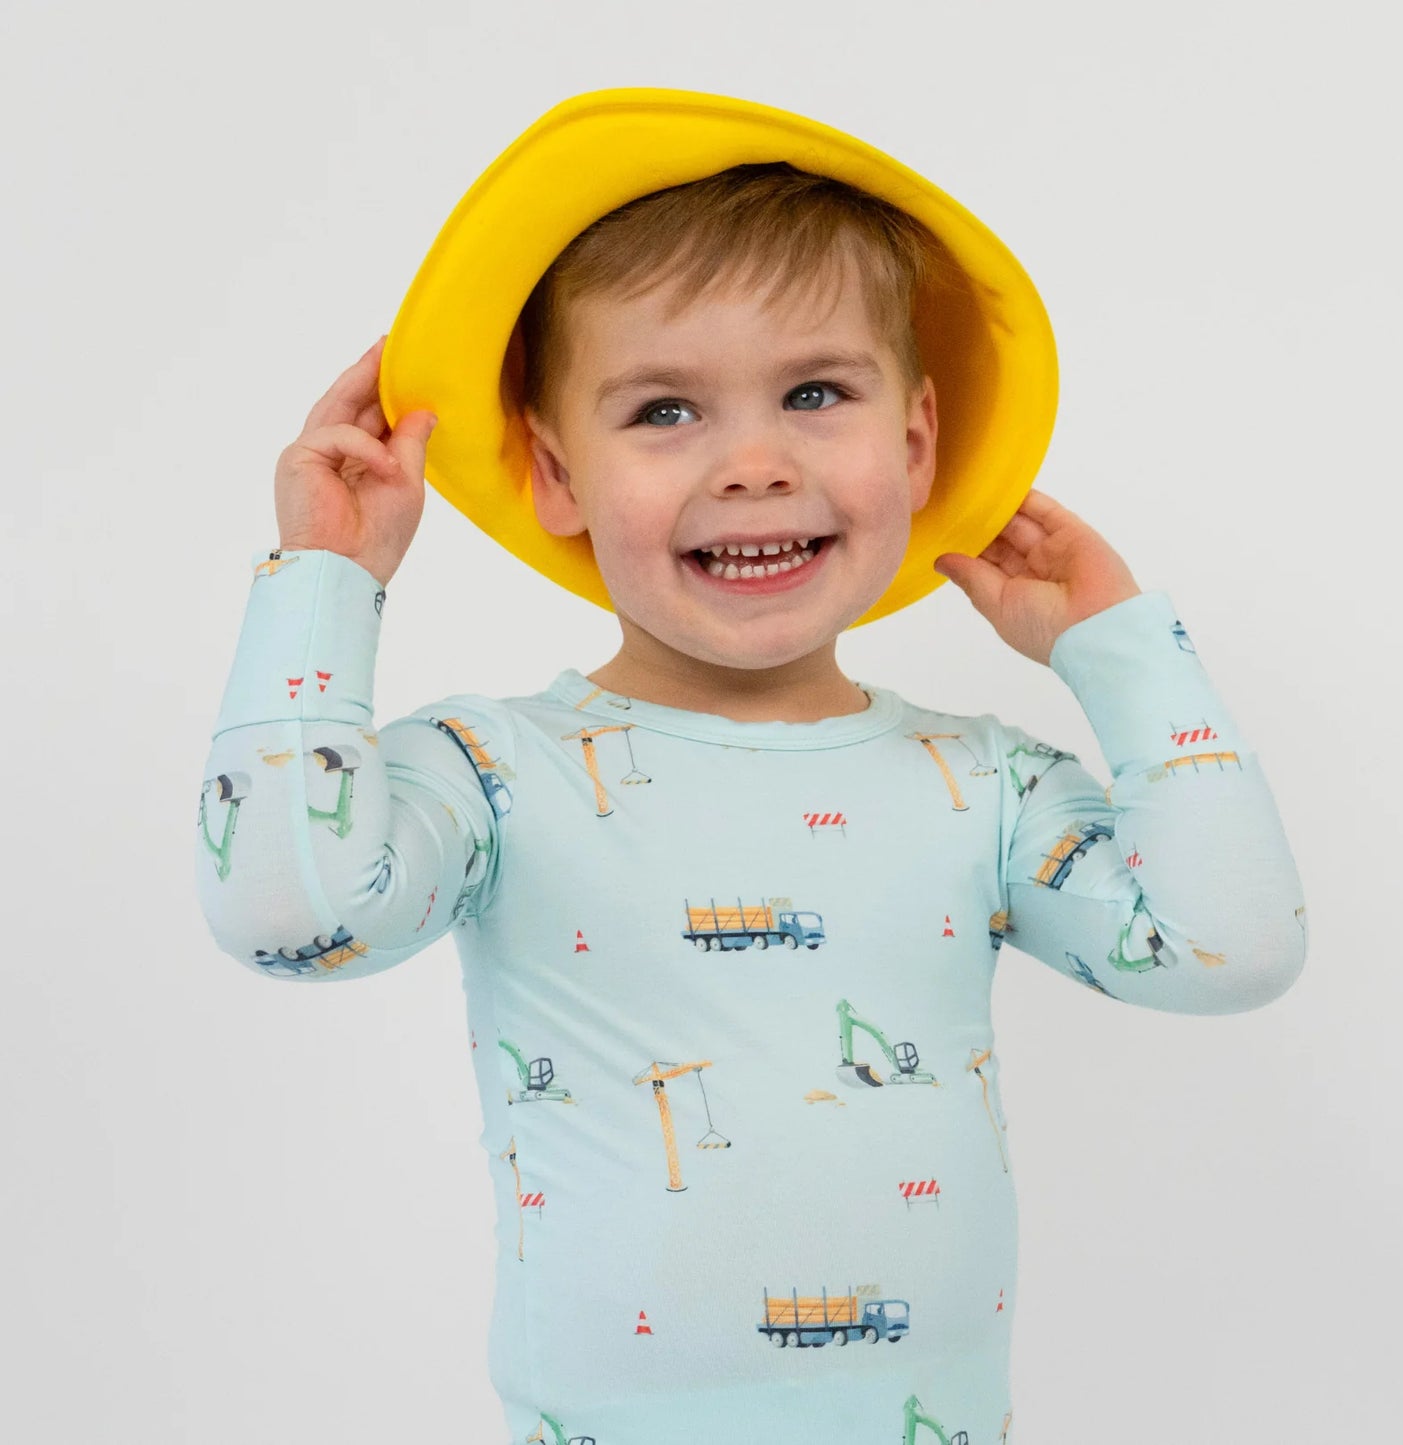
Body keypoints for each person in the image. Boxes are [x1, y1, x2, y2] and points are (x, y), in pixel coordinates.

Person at [195, 88, 1306, 1443]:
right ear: (555, 474)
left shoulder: (984, 787)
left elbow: (1230, 947)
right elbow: (287, 917)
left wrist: (1117, 650)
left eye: (816, 393)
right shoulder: (492, 771)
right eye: (665, 409)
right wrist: (323, 577)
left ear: (913, 444)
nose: (755, 463)